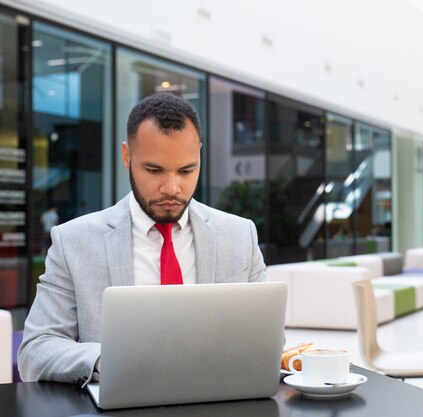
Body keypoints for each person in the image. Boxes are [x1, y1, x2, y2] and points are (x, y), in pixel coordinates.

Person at [18, 93, 268, 385]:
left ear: (200, 155)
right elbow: (36, 350)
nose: (172, 188)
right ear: (127, 157)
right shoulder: (73, 242)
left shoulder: (240, 235)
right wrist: (106, 361)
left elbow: (267, 337)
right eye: (154, 170)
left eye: (187, 170)